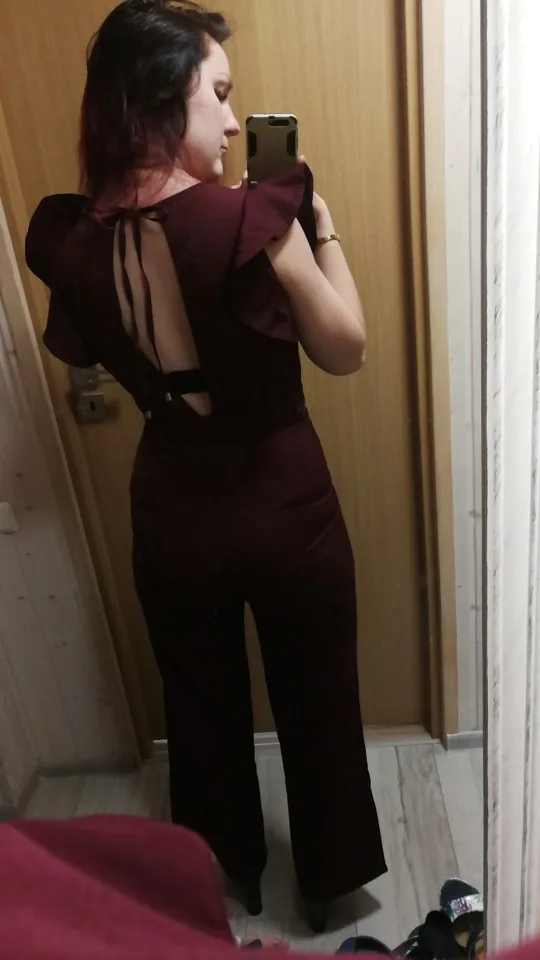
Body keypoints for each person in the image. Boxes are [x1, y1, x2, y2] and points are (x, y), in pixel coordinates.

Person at [25, 0, 386, 933]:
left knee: (198, 709)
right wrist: (320, 229)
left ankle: (223, 876)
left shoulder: (70, 236)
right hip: (283, 501)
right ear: (159, 98)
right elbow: (346, 348)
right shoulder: (253, 220)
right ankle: (329, 882)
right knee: (317, 701)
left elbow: (87, 350)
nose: (232, 122)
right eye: (217, 95)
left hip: (173, 511)